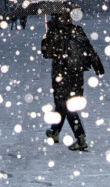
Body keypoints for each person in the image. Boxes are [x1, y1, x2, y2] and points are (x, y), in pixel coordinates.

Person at [41, 12, 104, 151]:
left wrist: (45, 38)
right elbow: (89, 48)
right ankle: (55, 132)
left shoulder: (54, 32)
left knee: (65, 105)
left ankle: (80, 137)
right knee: (64, 104)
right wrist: (98, 66)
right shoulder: (77, 30)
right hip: (77, 74)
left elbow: (47, 53)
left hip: (61, 75)